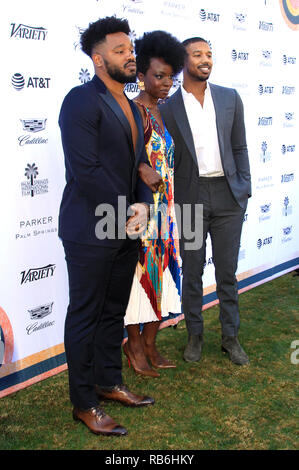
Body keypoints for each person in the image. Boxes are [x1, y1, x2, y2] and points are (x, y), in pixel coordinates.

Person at [58, 16, 162, 437]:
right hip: (90, 228)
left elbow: (135, 163)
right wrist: (129, 208)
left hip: (125, 227)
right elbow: (88, 171)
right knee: (85, 314)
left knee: (112, 312)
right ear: (98, 59)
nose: (130, 55)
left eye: (131, 48)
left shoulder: (133, 106)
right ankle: (84, 402)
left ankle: (108, 381)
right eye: (120, 50)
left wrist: (141, 204)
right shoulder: (80, 101)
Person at [160, 37, 251, 366]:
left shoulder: (229, 98)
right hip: (191, 197)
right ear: (184, 61)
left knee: (228, 272)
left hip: (228, 197)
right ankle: (195, 336)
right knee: (193, 271)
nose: (205, 59)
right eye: (197, 54)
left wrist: (244, 189)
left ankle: (231, 338)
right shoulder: (168, 108)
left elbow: (239, 147)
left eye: (209, 54)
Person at [123, 31, 185, 377]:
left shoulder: (162, 113)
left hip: (167, 212)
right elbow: (123, 159)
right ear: (141, 75)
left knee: (162, 276)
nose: (165, 83)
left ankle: (150, 344)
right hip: (141, 211)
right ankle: (134, 346)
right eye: (158, 76)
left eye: (170, 77)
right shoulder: (132, 112)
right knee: (138, 278)